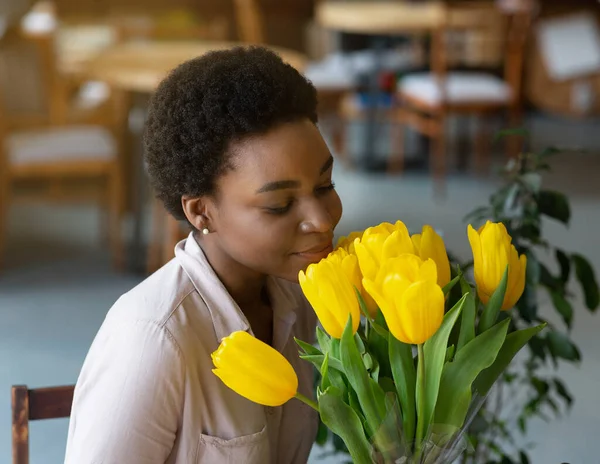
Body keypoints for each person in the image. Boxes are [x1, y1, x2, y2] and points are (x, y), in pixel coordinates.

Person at [64, 46, 343, 464]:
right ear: (201, 211)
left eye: (325, 185)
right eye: (280, 205)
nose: (321, 221)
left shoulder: (306, 293)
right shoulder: (153, 340)